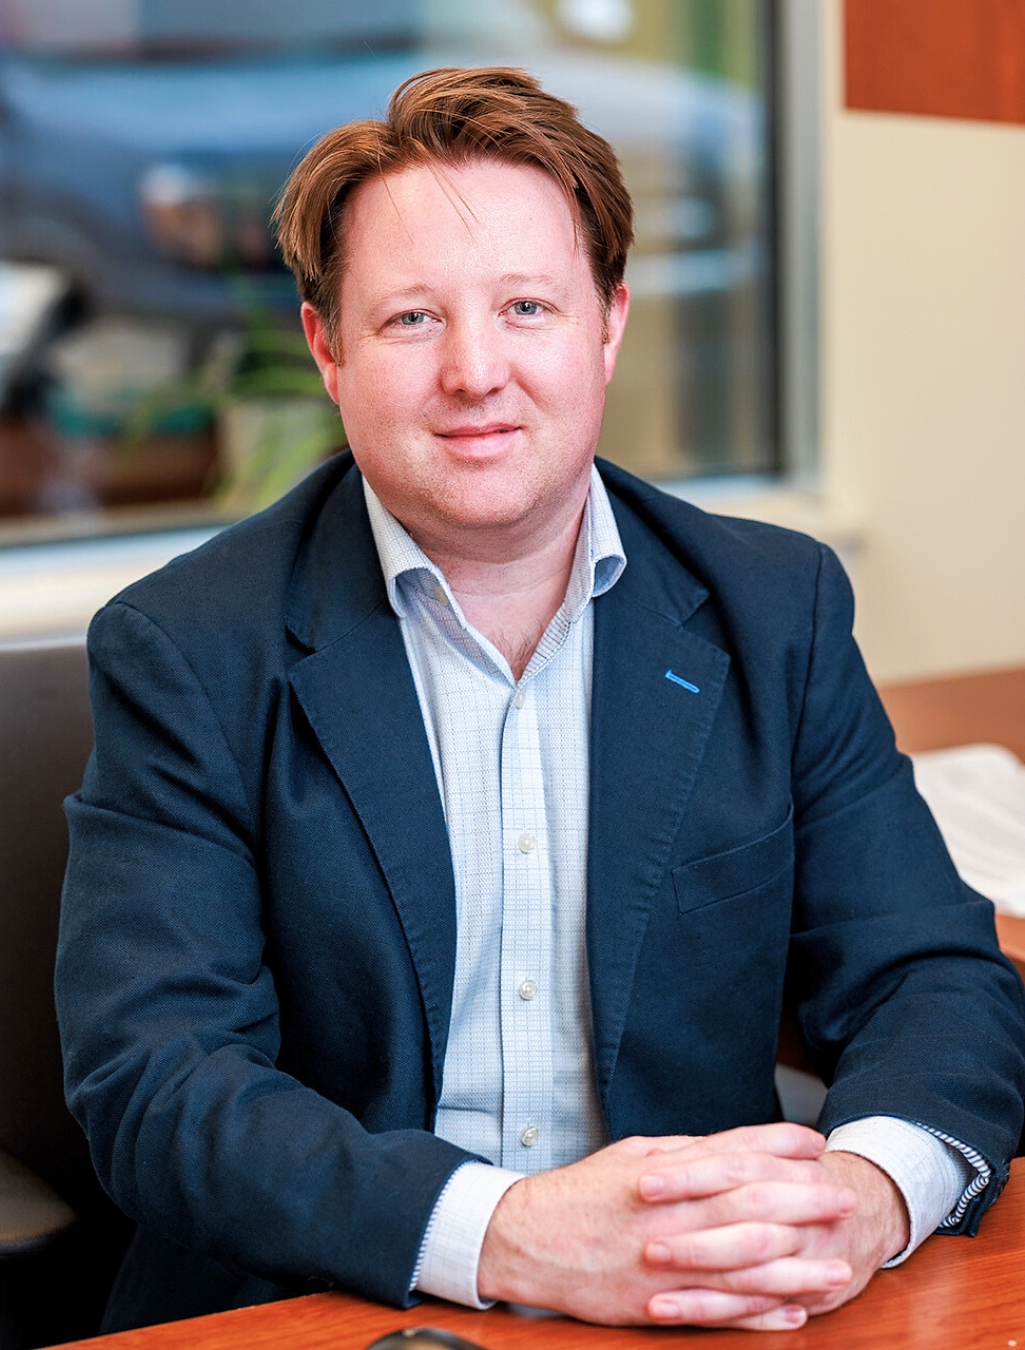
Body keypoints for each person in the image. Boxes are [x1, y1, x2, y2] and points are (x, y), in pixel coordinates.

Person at [55, 67, 1025, 1335]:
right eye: (411, 318)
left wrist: (864, 1193)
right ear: (327, 348)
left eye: (527, 306)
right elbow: (159, 1083)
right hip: (341, 1305)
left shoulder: (771, 608)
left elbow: (932, 977)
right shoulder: (189, 647)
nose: (476, 370)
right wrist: (507, 1236)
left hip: (702, 1302)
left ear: (609, 325)